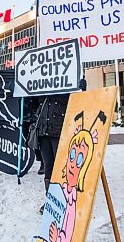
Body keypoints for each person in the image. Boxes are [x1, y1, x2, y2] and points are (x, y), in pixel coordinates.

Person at [37, 78, 87, 214]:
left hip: (60, 132)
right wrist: (17, 90)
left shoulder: (67, 81)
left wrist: (82, 89)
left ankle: (65, 200)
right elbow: (32, 101)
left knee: (63, 167)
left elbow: (79, 103)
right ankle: (51, 199)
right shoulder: (40, 84)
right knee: (49, 167)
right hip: (44, 132)